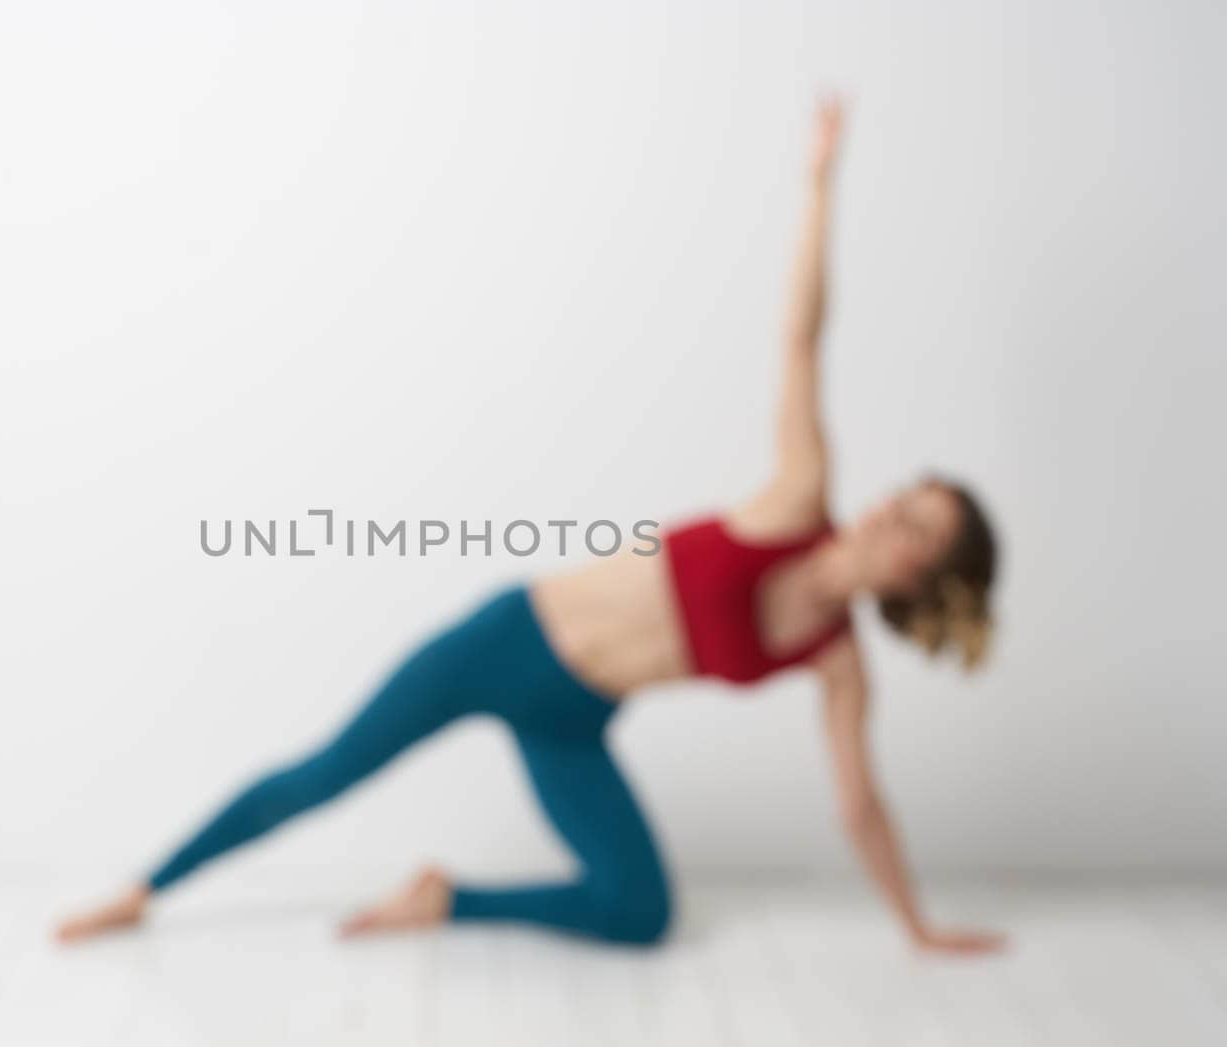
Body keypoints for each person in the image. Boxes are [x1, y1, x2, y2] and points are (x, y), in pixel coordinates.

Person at [55, 97, 1005, 955]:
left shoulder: (838, 660)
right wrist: (819, 185)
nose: (887, 508)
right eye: (905, 496)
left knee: (642, 912)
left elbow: (859, 804)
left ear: (925, 578)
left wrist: (916, 927)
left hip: (576, 717)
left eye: (914, 525)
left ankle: (444, 902)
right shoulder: (800, 498)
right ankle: (145, 889)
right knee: (330, 770)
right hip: (509, 640)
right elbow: (802, 337)